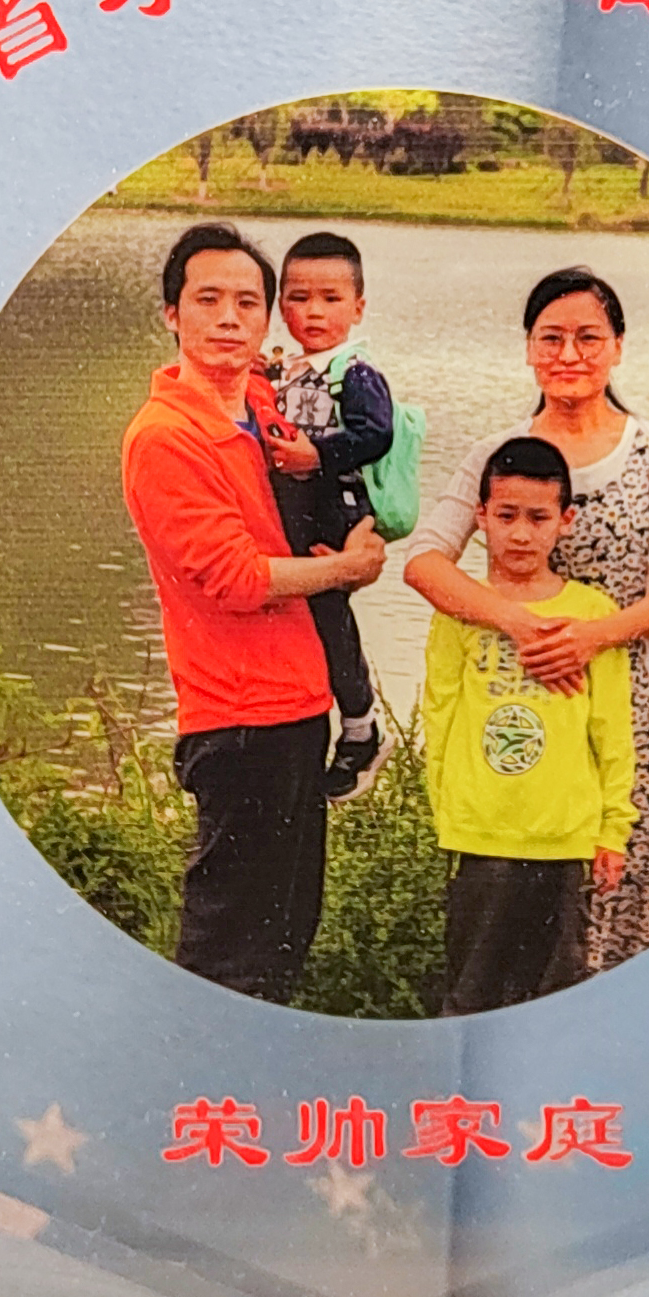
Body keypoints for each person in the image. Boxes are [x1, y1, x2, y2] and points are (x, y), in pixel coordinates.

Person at [405, 268, 649, 972]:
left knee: (629, 914)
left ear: (618, 346)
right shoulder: (499, 457)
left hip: (630, 718)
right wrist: (517, 624)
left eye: (588, 338)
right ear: (528, 348)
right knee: (523, 942)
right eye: (551, 338)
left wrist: (590, 638)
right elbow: (424, 562)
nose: (569, 355)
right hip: (519, 725)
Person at [121, 224, 387, 1002]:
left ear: (268, 319)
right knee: (231, 953)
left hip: (300, 705)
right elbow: (235, 578)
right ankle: (199, 1076)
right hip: (239, 719)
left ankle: (249, 1075)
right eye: (208, 299)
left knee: (284, 936)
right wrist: (346, 569)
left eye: (247, 302)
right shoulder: (167, 437)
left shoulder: (263, 405)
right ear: (172, 314)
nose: (229, 318)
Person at [422, 437, 636, 1014]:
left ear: (565, 522)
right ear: (481, 517)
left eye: (538, 518)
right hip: (480, 835)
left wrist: (612, 831)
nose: (520, 534)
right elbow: (439, 713)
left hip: (563, 837)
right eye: (507, 515)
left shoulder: (591, 616)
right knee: (471, 993)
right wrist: (449, 809)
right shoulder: (462, 610)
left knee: (552, 996)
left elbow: (612, 731)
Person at [263, 231, 400, 801]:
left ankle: (361, 726)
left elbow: (377, 434)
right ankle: (323, 722)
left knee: (324, 607)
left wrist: (316, 455)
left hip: (334, 507)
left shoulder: (354, 371)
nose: (314, 311)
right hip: (298, 508)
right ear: (281, 307)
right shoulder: (283, 369)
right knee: (298, 608)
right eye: (299, 298)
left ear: (358, 307)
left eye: (331, 298)